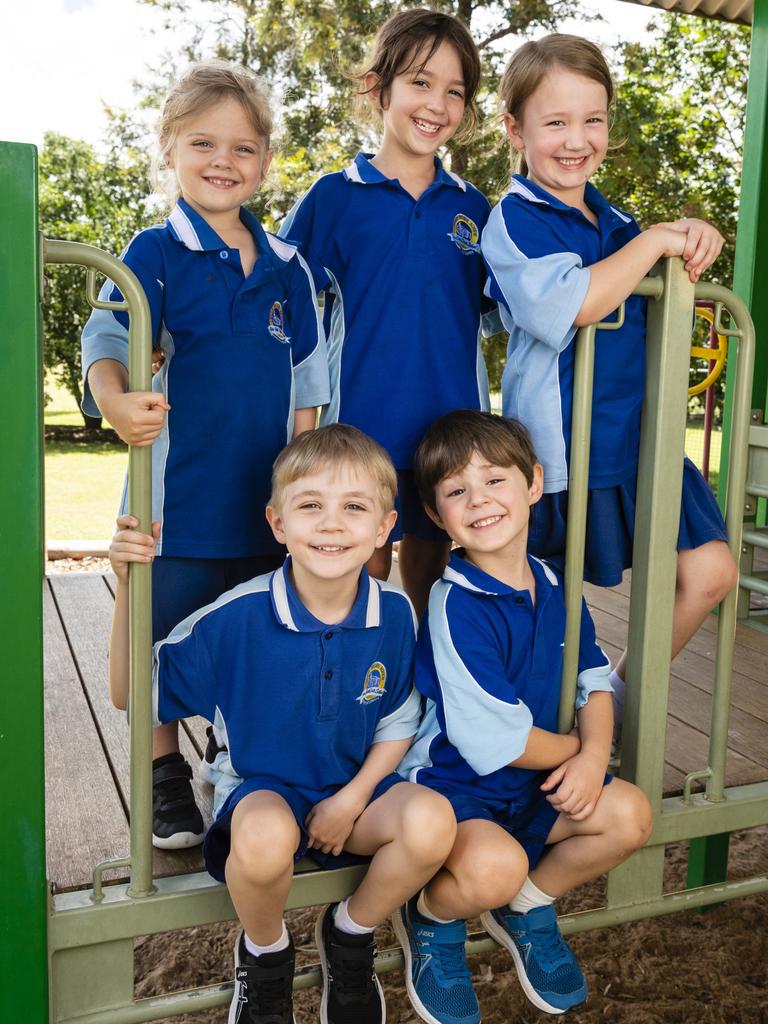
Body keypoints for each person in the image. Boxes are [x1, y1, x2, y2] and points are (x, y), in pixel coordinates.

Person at [107, 424, 458, 1024]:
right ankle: (265, 952)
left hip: (355, 793)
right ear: (278, 523)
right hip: (263, 792)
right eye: (310, 505)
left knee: (432, 824)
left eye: (353, 507)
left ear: (383, 529)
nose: (330, 523)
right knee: (267, 840)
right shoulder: (235, 618)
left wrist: (350, 801)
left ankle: (350, 934)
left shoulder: (395, 612)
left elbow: (398, 722)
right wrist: (125, 587)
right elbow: (130, 697)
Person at [80, 61, 330, 849]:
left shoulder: (288, 268)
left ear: (265, 161)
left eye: (244, 148)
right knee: (158, 646)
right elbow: (107, 338)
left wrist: (303, 480)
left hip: (263, 508)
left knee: (249, 642)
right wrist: (116, 398)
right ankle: (162, 778)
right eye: (203, 143)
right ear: (170, 148)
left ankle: (234, 763)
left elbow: (308, 384)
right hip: (176, 502)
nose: (224, 161)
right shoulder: (153, 251)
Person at [480, 34, 737, 746]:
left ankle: (616, 699)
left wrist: (688, 233)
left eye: (592, 120)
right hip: (568, 452)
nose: (576, 140)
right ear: (516, 128)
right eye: (555, 122)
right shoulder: (517, 219)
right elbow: (576, 303)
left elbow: (662, 275)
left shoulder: (615, 220)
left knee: (711, 573)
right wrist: (657, 241)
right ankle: (534, 740)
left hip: (644, 441)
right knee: (552, 611)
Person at [394, 410, 652, 1022]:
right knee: (494, 868)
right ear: (436, 515)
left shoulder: (554, 584)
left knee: (631, 816)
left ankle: (528, 906)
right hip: (458, 790)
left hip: (534, 786)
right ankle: (431, 919)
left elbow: (592, 679)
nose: (478, 500)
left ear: (534, 483)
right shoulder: (454, 603)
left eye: (495, 480)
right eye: (456, 491)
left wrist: (594, 757)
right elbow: (496, 743)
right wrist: (583, 755)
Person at [280, 8, 496, 617]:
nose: (437, 104)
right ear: (379, 88)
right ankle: (361, 701)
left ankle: (423, 694)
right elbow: (281, 299)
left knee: (430, 568)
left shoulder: (474, 209)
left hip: (448, 433)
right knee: (362, 574)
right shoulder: (332, 197)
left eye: (455, 91)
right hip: (358, 429)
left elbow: (509, 308)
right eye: (421, 83)